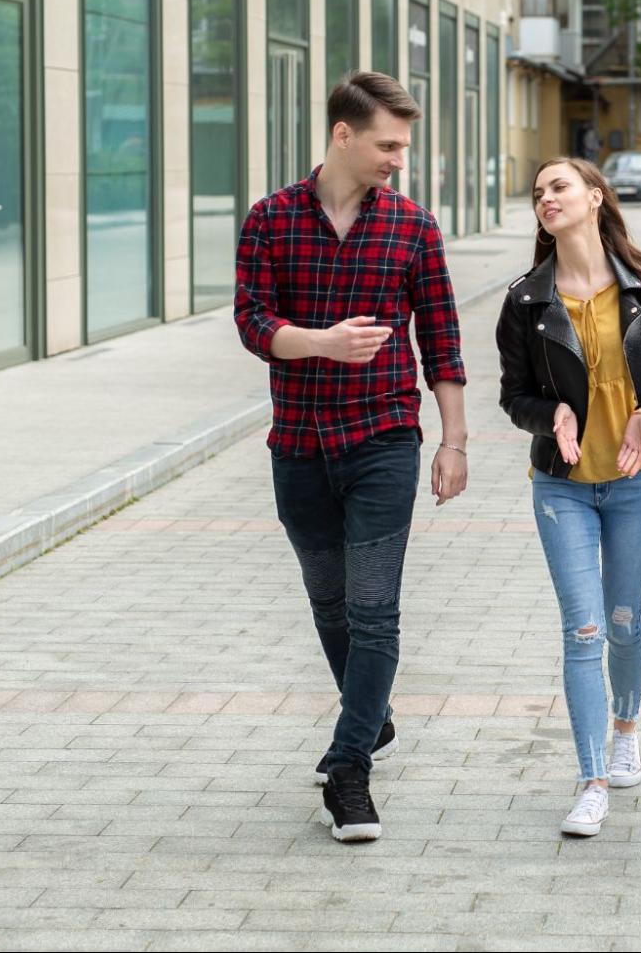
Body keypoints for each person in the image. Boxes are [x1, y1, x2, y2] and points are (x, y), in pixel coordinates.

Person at [234, 71, 471, 845]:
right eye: (388, 143)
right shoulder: (270, 219)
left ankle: (349, 769)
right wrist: (321, 344)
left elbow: (441, 341)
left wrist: (454, 440)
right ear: (343, 135)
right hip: (298, 445)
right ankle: (373, 717)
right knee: (328, 601)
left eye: (403, 144)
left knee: (373, 606)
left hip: (382, 441)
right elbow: (251, 320)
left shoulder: (412, 227)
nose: (399, 157)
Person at [497, 157, 641, 837]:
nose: (545, 198)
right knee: (582, 629)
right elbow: (514, 393)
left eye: (557, 186)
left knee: (623, 622)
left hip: (639, 482)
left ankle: (626, 728)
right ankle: (588, 781)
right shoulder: (526, 298)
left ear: (593, 196)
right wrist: (547, 415)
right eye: (537, 193)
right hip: (562, 487)